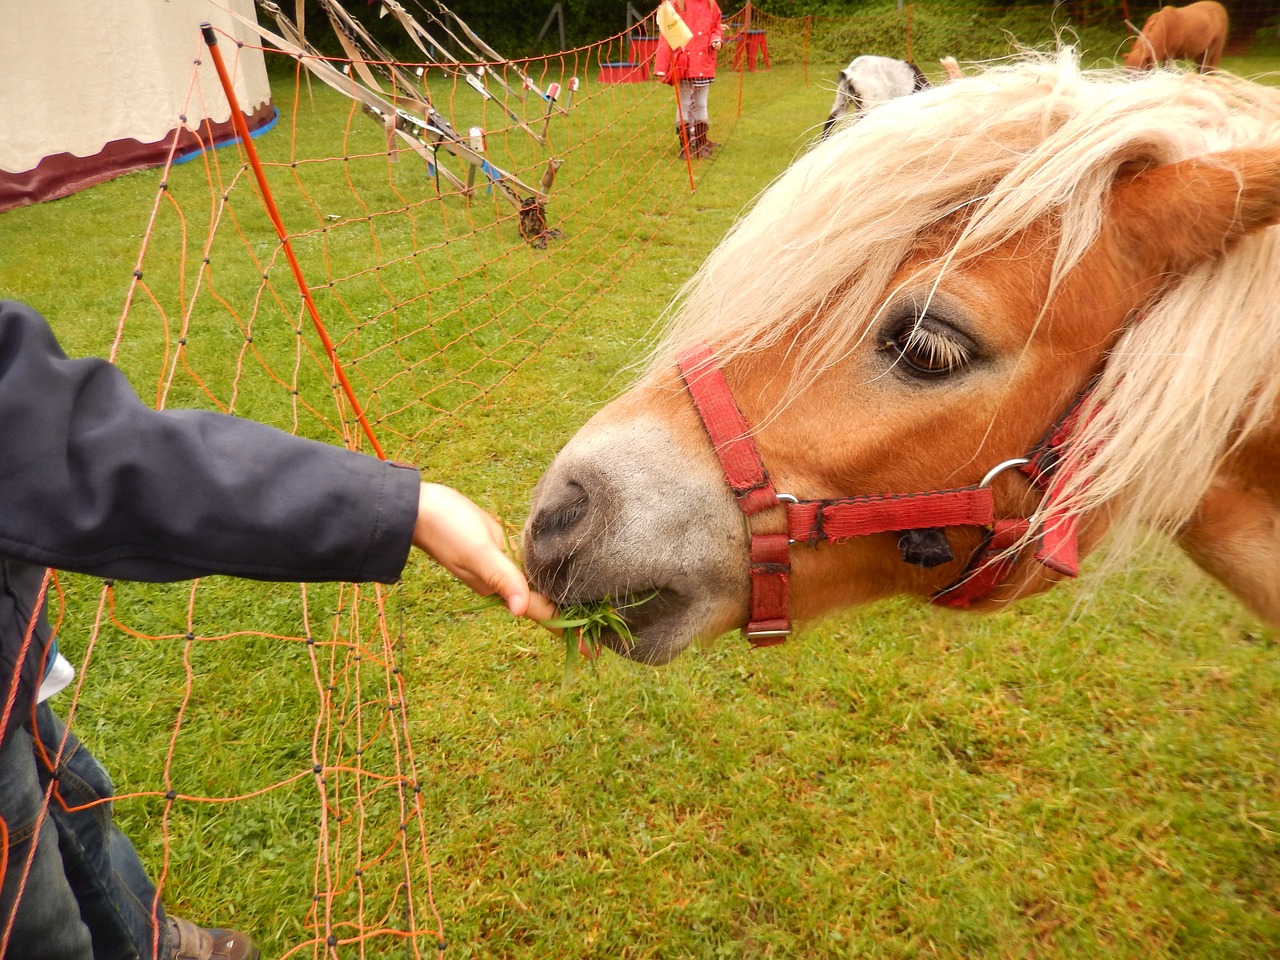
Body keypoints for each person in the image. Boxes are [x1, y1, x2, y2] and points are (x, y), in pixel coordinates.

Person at [0, 300, 555, 960]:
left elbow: (42, 428)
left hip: (15, 666)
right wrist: (399, 511)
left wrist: (400, 510)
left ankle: (148, 943)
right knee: (39, 928)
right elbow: (60, 452)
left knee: (78, 801)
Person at [653, 0, 724, 159]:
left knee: (701, 103)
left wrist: (716, 38)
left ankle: (701, 141)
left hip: (704, 63)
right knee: (684, 103)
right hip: (684, 63)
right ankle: (685, 145)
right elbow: (667, 33)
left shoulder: (711, 4)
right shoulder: (677, 4)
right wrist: (664, 64)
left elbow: (716, 26)